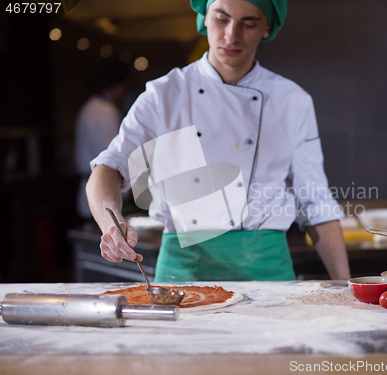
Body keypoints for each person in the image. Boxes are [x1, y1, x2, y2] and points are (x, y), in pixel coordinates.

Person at [86, 0, 351, 281]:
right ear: (204, 17)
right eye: (221, 19)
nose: (231, 36)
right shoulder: (163, 96)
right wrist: (111, 224)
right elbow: (108, 168)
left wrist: (347, 287)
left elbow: (315, 202)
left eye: (248, 24)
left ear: (267, 27)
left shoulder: (292, 101)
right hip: (184, 273)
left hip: (267, 272)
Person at [75, 58, 129, 219]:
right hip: (101, 193)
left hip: (93, 191)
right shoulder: (104, 111)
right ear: (116, 84)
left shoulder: (92, 106)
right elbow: (113, 155)